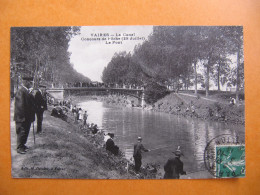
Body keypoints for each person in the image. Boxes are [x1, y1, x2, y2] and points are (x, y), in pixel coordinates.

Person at [14, 76, 36, 154]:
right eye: (30, 83)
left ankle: (23, 145)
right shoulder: (21, 91)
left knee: (26, 131)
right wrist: (23, 117)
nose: (31, 84)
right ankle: (19, 147)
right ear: (26, 82)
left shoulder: (26, 91)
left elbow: (31, 103)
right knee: (21, 131)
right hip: (22, 117)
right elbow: (20, 106)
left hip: (26, 117)